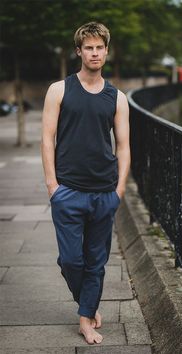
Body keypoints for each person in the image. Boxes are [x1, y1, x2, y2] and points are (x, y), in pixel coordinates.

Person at [41, 22, 130, 345]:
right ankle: (88, 303)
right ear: (79, 51)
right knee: (70, 260)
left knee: (96, 261)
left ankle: (85, 318)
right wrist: (53, 185)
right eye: (88, 48)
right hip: (68, 191)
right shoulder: (59, 89)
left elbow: (123, 146)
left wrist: (119, 189)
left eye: (99, 47)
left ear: (107, 51)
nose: (94, 53)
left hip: (104, 192)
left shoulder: (116, 97)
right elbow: (47, 140)